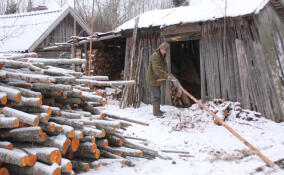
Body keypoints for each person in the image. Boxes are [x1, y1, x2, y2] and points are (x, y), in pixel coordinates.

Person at [146, 42, 171, 117]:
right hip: (153, 79)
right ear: (160, 48)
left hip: (157, 79)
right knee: (156, 95)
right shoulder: (155, 56)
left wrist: (166, 73)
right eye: (164, 50)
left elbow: (163, 66)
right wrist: (166, 75)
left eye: (166, 50)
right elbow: (157, 69)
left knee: (158, 94)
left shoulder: (162, 55)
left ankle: (158, 110)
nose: (165, 51)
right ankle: (156, 113)